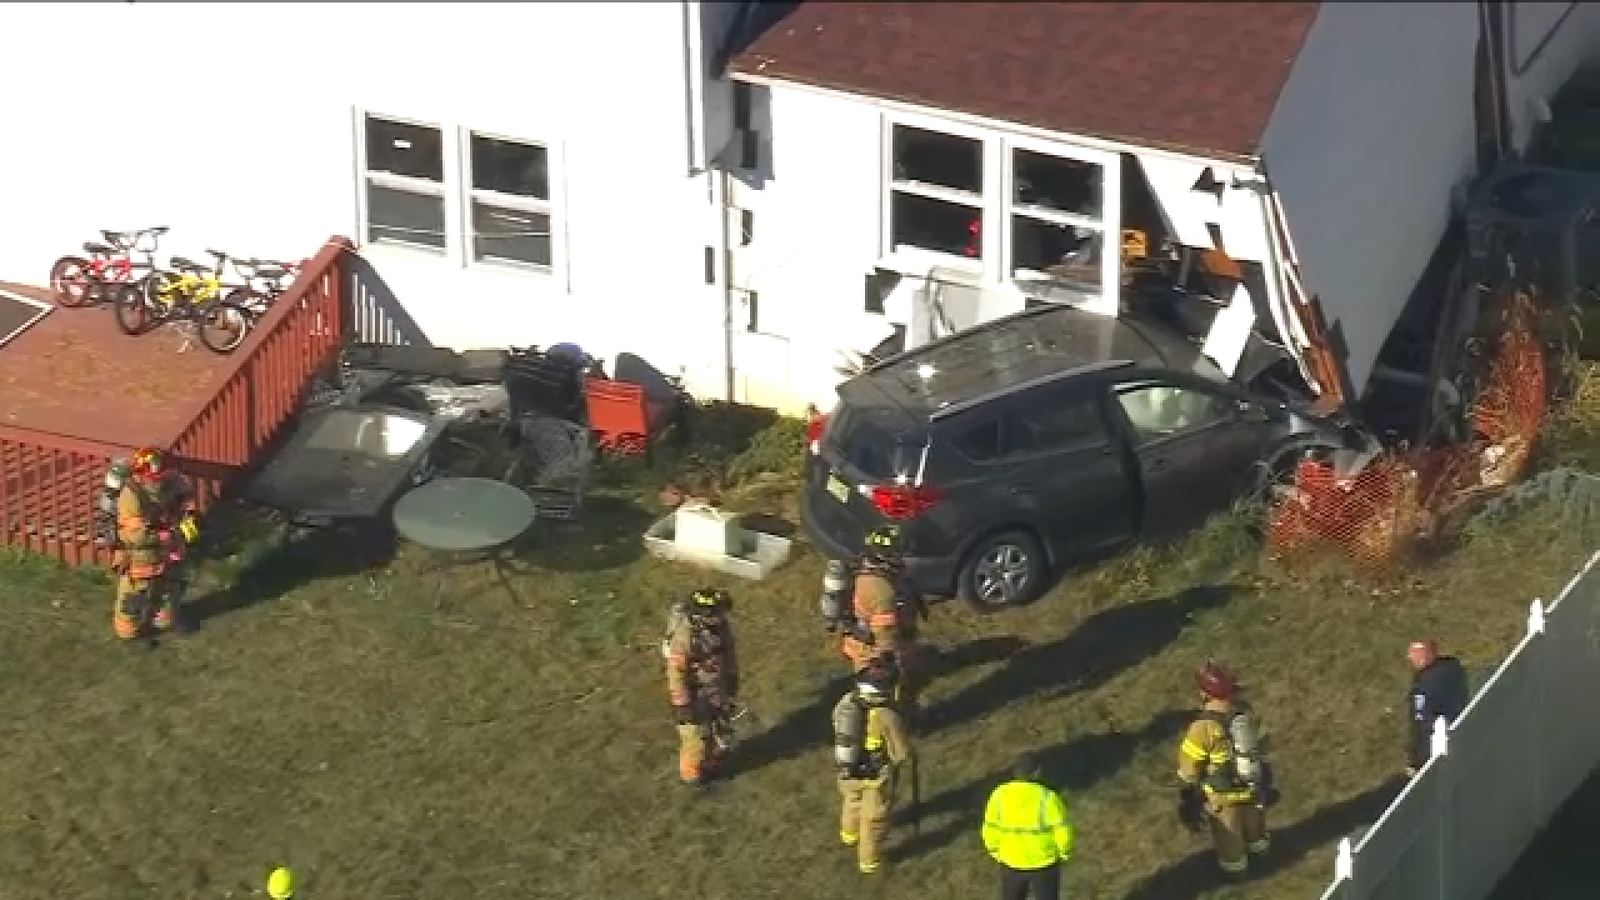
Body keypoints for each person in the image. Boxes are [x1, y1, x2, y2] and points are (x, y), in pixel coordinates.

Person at [1176, 660, 1272, 879]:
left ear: (1204, 694)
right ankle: (1264, 860)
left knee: (1231, 841)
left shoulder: (1202, 728)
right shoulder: (1244, 713)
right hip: (1252, 787)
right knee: (1256, 832)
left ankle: (1238, 877)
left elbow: (1189, 767)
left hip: (1222, 798)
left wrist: (1189, 790)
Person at [833, 656, 914, 874]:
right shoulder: (887, 715)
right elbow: (901, 753)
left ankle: (849, 834)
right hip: (875, 776)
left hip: (846, 771)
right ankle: (869, 861)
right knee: (874, 818)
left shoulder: (846, 702)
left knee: (851, 801)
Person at [110, 446, 198, 641]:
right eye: (156, 474)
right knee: (134, 598)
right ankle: (129, 633)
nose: (160, 478)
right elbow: (135, 535)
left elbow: (186, 496)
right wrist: (163, 537)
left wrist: (188, 518)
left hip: (170, 552)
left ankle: (164, 622)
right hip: (140, 557)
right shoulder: (131, 496)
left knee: (170, 589)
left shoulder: (172, 481)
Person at [840, 525, 925, 714]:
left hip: (867, 644)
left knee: (875, 696)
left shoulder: (868, 570)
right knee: (883, 696)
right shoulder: (882, 590)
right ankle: (899, 721)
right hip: (876, 650)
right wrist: (890, 660)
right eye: (898, 552)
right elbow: (885, 631)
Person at [663, 587, 740, 786]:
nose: (721, 618)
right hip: (693, 694)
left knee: (717, 729)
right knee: (695, 739)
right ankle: (692, 775)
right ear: (701, 616)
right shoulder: (685, 637)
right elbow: (676, 673)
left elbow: (729, 652)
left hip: (716, 689)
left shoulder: (722, 628)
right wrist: (682, 705)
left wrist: (731, 679)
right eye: (716, 614)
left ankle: (712, 764)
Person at [982, 752, 1074, 900]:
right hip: (1044, 864)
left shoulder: (999, 795)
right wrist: (1064, 854)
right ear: (1037, 772)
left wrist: (995, 852)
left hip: (1011, 862)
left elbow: (990, 828)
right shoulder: (1048, 797)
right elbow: (1063, 831)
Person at [1404, 640, 1469, 777]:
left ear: (1424, 657)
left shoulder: (1425, 687)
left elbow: (1422, 724)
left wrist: (1417, 761)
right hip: (1462, 733)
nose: (1409, 658)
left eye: (1413, 654)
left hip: (1436, 751)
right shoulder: (1453, 668)